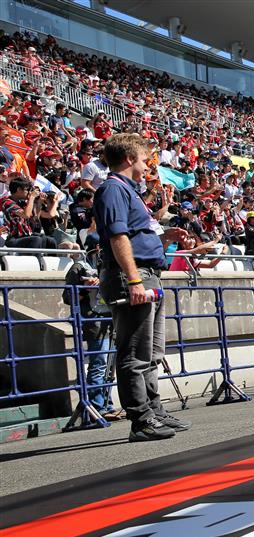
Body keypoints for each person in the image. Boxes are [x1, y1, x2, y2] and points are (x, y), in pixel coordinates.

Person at [93, 133, 189, 442]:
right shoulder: (112, 189)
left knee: (152, 352)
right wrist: (133, 279)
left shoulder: (129, 192)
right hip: (133, 277)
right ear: (129, 159)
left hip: (148, 273)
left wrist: (163, 239)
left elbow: (134, 236)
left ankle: (154, 410)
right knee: (135, 352)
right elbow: (117, 238)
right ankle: (141, 419)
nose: (149, 161)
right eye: (144, 156)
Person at [63, 234, 118, 419]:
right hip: (93, 321)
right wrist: (84, 289)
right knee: (99, 363)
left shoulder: (108, 265)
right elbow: (68, 297)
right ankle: (96, 406)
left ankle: (107, 404)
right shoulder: (78, 268)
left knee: (110, 366)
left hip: (110, 318)